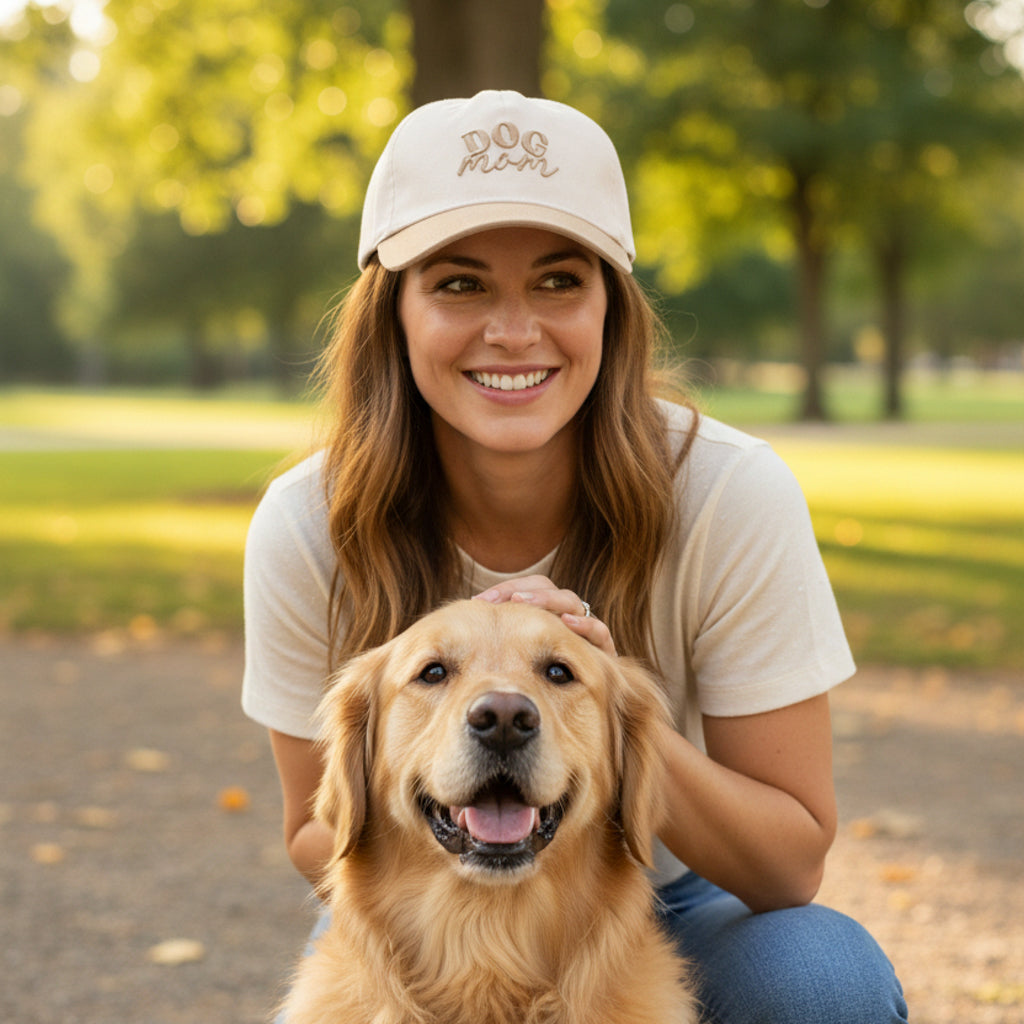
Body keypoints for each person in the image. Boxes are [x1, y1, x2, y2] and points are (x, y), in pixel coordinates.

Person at [242, 89, 907, 1022]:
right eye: (459, 282)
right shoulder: (304, 522)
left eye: (559, 281)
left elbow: (790, 860)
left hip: (671, 883)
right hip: (417, 903)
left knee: (822, 981)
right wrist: (464, 917)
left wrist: (613, 711)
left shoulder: (730, 494)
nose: (513, 331)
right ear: (392, 312)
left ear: (611, 308)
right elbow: (323, 835)